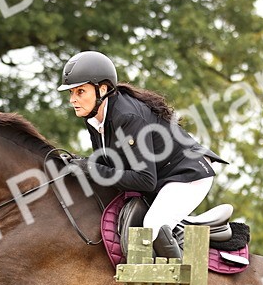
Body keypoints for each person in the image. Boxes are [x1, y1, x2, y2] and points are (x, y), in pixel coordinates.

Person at [59, 51, 225, 259]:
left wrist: (89, 168)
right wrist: (78, 164)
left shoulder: (126, 116)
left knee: (151, 227)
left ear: (102, 89)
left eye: (80, 92)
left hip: (187, 174)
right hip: (162, 174)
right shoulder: (94, 116)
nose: (73, 100)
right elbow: (108, 162)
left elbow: (145, 180)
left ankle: (185, 278)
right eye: (71, 92)